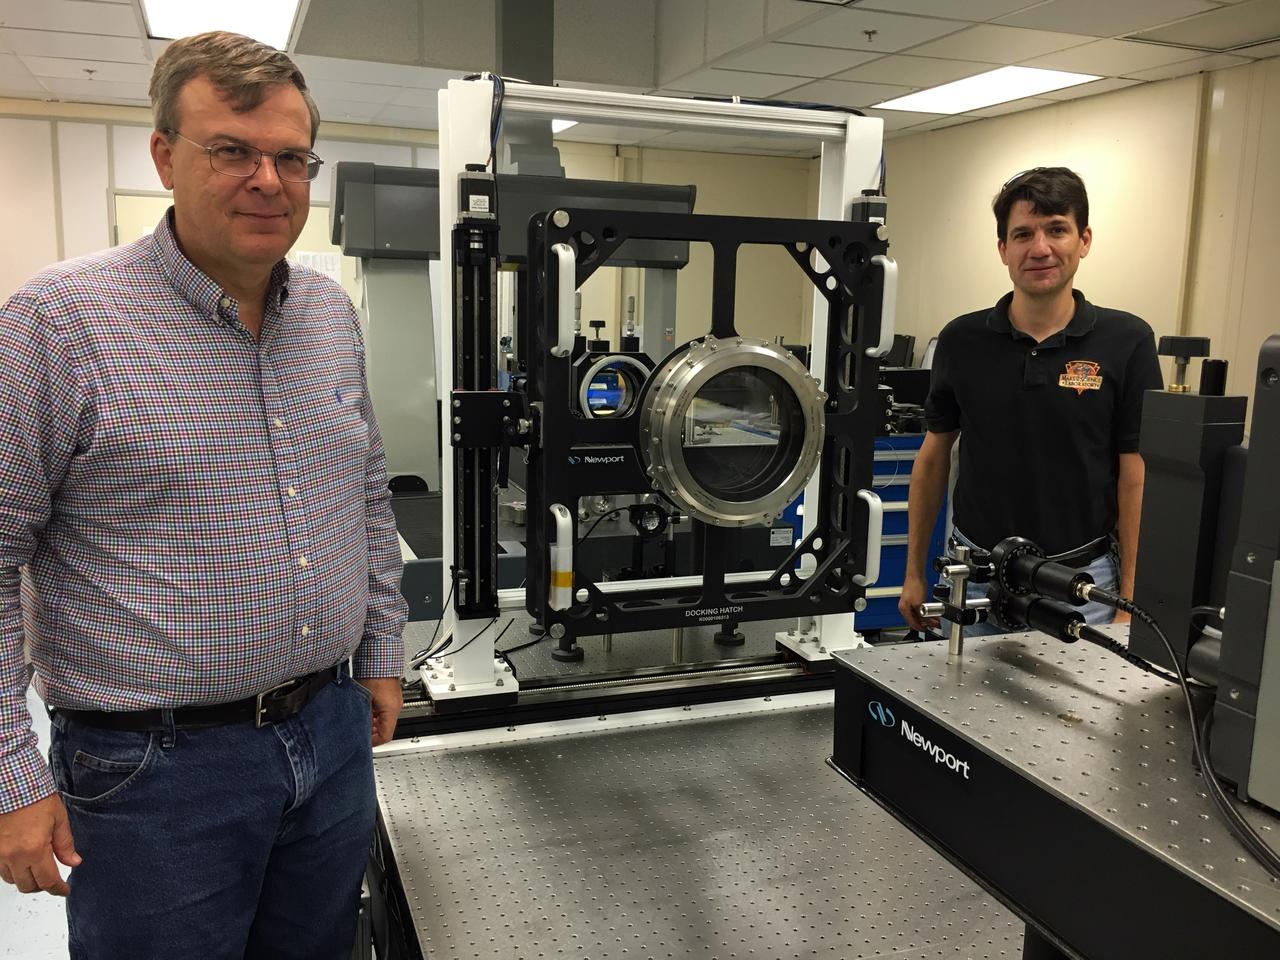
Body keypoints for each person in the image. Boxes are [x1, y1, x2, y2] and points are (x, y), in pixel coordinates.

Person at [0, 31, 407, 958]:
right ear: (165, 156)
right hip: (154, 776)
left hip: (332, 732)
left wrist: (380, 651)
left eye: (292, 157)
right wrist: (10, 780)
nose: (269, 179)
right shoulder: (60, 324)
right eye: (233, 150)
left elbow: (367, 498)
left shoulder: (330, 317)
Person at [898, 167, 1163, 636]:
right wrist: (914, 574)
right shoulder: (962, 340)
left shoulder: (1128, 341)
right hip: (975, 579)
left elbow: (1135, 475)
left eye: (1056, 229)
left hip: (1083, 584)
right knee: (959, 708)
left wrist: (1130, 596)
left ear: (1083, 240)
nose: (1039, 248)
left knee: (1081, 711)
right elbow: (933, 458)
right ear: (1003, 249)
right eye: (1023, 234)